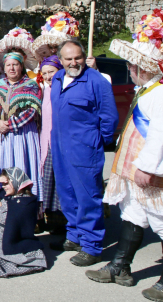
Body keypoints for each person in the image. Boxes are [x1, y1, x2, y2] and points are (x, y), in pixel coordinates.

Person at [87, 11, 163, 301]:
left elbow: (162, 137)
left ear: (144, 66)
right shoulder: (151, 89)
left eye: (133, 63)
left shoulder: (162, 95)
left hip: (150, 172)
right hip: (136, 170)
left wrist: (149, 168)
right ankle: (120, 267)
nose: (129, 66)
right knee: (133, 214)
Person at [50, 39, 119, 267]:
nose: (73, 62)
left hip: (84, 148)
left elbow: (109, 119)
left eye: (77, 57)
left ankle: (92, 245)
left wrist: (97, 142)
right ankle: (75, 235)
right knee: (67, 193)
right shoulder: (58, 78)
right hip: (60, 146)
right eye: (68, 59)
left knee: (88, 196)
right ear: (60, 60)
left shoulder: (97, 81)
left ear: (84, 57)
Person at [0, 50, 43, 201]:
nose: (12, 68)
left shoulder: (31, 85)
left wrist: (10, 125)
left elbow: (32, 110)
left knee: (21, 164)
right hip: (0, 133)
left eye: (15, 65)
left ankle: (25, 203)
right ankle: (1, 204)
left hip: (21, 135)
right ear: (3, 68)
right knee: (1, 166)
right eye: (8, 65)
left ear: (21, 66)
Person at [37, 55, 64, 228]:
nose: (48, 76)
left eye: (51, 72)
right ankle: (51, 219)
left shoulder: (65, 88)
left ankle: (63, 221)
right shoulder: (44, 90)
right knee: (48, 181)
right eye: (45, 73)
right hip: (46, 141)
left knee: (61, 183)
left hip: (61, 141)